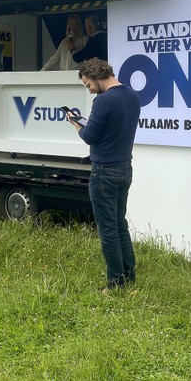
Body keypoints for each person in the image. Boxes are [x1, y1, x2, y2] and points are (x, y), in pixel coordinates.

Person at [66, 58, 140, 290]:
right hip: (124, 168)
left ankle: (115, 282)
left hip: (104, 172)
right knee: (120, 224)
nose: (89, 90)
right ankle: (129, 275)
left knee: (107, 229)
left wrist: (76, 124)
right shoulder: (132, 95)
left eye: (88, 84)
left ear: (96, 76)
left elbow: (90, 136)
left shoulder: (104, 101)